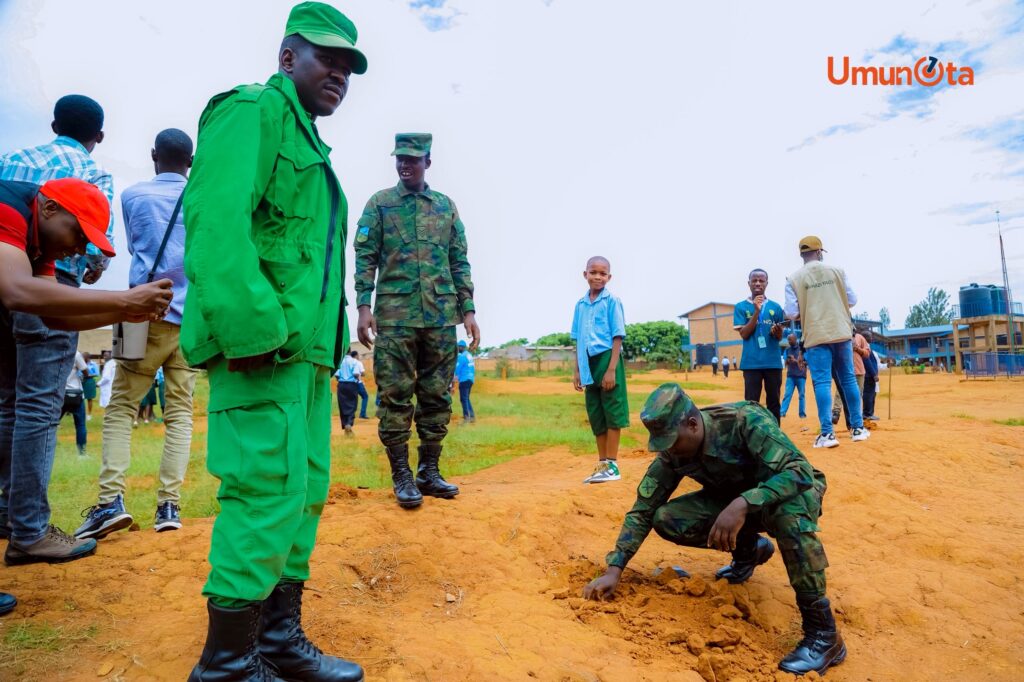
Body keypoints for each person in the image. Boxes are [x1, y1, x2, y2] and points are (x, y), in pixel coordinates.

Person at [181, 5, 367, 679]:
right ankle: (227, 664)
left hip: (307, 360)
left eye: (347, 68)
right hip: (261, 351)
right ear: (288, 57)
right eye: (327, 60)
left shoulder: (310, 143)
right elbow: (214, 224)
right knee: (264, 492)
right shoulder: (250, 111)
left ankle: (278, 638)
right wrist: (251, 331)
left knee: (303, 492)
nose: (338, 75)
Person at [584, 383, 846, 677]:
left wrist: (744, 503)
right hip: (736, 505)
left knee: (790, 517)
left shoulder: (744, 421)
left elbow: (799, 471)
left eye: (672, 440)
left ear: (692, 424)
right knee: (667, 518)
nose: (669, 450)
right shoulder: (674, 453)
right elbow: (643, 509)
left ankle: (824, 635)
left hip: (788, 493)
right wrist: (615, 568)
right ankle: (749, 551)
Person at [0, 176, 172, 566]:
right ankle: (27, 531)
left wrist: (127, 312)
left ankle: (20, 526)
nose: (80, 249)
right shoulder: (7, 208)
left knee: (12, 405)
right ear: (49, 208)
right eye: (78, 234)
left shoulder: (39, 244)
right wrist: (124, 299)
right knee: (33, 409)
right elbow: (15, 291)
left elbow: (51, 317)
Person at [75, 129, 200, 542]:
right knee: (180, 413)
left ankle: (111, 500)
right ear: (191, 161)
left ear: (153, 155)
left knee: (121, 408)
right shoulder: (201, 197)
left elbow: (136, 246)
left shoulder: (133, 196)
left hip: (137, 310)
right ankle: (169, 506)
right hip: (190, 319)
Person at [355, 132, 478, 510]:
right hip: (395, 317)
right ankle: (402, 475)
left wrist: (469, 310)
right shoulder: (380, 204)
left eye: (412, 159)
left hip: (441, 317)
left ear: (428, 161)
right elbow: (365, 256)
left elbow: (459, 260)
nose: (405, 165)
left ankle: (428, 470)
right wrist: (363, 305)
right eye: (400, 159)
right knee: (394, 394)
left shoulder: (444, 206)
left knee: (437, 396)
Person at [784, 236, 869, 448]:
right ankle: (858, 429)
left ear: (801, 254)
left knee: (822, 383)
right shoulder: (837, 271)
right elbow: (852, 300)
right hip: (841, 332)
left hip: (816, 335)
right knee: (848, 379)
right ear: (820, 252)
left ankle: (827, 434)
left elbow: (791, 313)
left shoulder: (793, 279)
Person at [571, 256, 628, 484]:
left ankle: (613, 465)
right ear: (585, 274)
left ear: (609, 277)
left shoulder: (612, 301)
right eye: (593, 272)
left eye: (602, 273)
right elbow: (577, 339)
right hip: (587, 363)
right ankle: (602, 464)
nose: (597, 277)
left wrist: (611, 369)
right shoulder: (580, 305)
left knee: (612, 411)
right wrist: (577, 370)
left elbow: (617, 336)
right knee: (596, 414)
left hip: (607, 359)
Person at [734, 268, 785, 423]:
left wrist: (777, 331)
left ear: (766, 283)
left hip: (773, 362)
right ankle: (752, 434)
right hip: (751, 363)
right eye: (754, 280)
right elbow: (744, 334)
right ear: (748, 283)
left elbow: (779, 337)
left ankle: (775, 434)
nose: (757, 283)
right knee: (751, 404)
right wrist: (756, 312)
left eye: (761, 280)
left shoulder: (776, 307)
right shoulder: (741, 307)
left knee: (774, 403)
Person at [831, 329, 870, 429]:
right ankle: (836, 412)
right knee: (840, 392)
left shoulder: (860, 338)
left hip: (859, 371)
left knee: (857, 395)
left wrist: (857, 349)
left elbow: (867, 353)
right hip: (844, 370)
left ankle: (854, 421)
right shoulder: (841, 336)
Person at [59, 350, 89, 457]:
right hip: (76, 394)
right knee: (80, 425)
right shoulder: (75, 353)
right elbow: (85, 371)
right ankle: (82, 454)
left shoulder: (53, 350)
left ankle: (47, 450)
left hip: (59, 394)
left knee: (51, 425)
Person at [780, 333, 807, 419]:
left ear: (795, 339)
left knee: (801, 395)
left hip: (801, 376)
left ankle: (802, 414)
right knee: (787, 394)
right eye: (788, 340)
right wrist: (788, 360)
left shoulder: (802, 350)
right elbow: (785, 363)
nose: (789, 341)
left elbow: (806, 362)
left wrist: (795, 360)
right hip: (790, 376)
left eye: (790, 340)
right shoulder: (787, 350)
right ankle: (782, 412)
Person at [335, 350, 361, 435]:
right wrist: (357, 379)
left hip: (341, 385)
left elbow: (337, 375)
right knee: (352, 405)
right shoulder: (354, 361)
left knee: (342, 406)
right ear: (350, 351)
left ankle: (345, 424)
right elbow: (356, 373)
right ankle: (349, 423)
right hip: (352, 385)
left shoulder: (340, 361)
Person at [454, 338, 476, 423]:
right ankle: (472, 416)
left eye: (458, 347)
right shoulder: (469, 355)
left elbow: (457, 368)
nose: (458, 349)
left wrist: (455, 376)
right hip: (470, 379)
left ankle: (466, 418)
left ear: (461, 347)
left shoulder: (462, 356)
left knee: (463, 399)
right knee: (466, 398)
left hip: (464, 379)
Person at [861, 331, 879, 421]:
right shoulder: (865, 347)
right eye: (869, 336)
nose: (871, 338)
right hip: (868, 375)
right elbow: (867, 362)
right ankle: (867, 414)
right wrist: (874, 374)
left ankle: (870, 413)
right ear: (864, 338)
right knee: (868, 394)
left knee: (871, 394)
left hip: (869, 375)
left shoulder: (868, 347)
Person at [82, 351, 99, 419]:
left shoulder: (93, 364)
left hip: (89, 381)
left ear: (88, 358)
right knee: (80, 398)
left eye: (84, 357)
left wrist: (88, 375)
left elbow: (97, 373)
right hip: (81, 381)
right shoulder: (81, 363)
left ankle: (89, 414)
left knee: (89, 398)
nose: (83, 358)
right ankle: (82, 413)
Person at [353, 351, 370, 419]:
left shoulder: (347, 362)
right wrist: (363, 374)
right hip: (358, 382)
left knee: (352, 398)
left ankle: (351, 414)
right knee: (365, 396)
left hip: (348, 383)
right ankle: (362, 414)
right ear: (356, 355)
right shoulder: (358, 363)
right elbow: (362, 373)